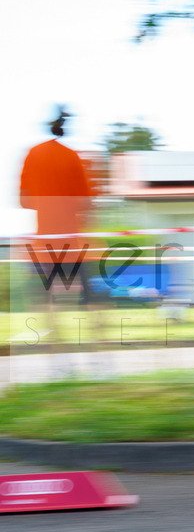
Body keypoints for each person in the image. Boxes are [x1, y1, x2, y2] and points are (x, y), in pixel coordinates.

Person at [18, 107, 97, 351]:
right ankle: (98, 346)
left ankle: (54, 346)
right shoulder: (73, 157)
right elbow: (86, 202)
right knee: (90, 296)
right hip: (73, 242)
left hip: (45, 242)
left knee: (45, 298)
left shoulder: (33, 154)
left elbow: (24, 201)